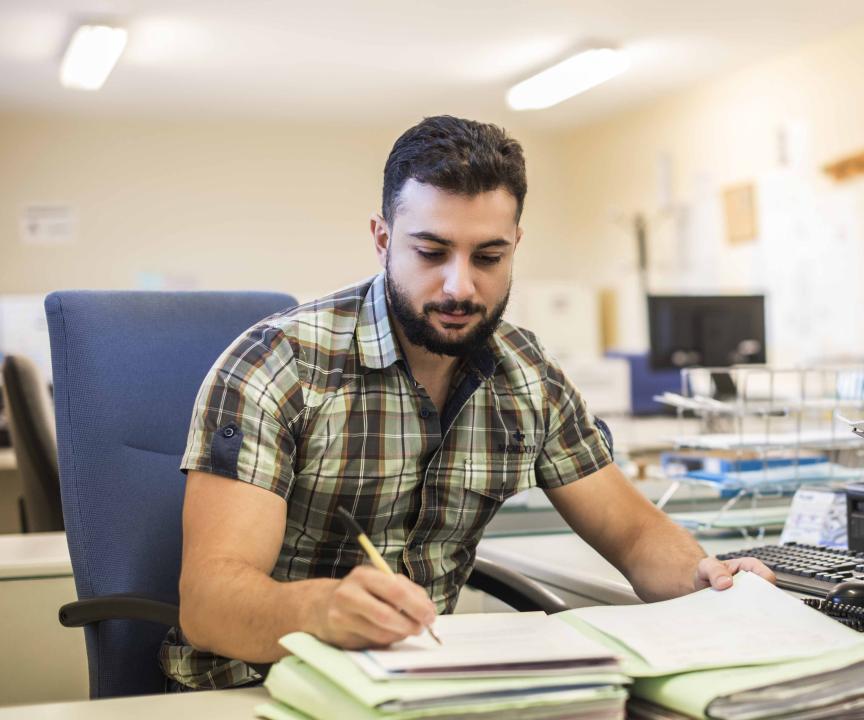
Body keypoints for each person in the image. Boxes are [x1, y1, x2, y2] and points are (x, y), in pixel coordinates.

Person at [163, 115, 775, 689]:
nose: (461, 286)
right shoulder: (280, 364)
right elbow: (209, 603)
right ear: (382, 239)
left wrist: (703, 577)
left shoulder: (526, 374)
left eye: (488, 257)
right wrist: (322, 608)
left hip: (424, 688)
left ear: (515, 245)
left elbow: (636, 536)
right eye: (431, 252)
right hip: (251, 688)